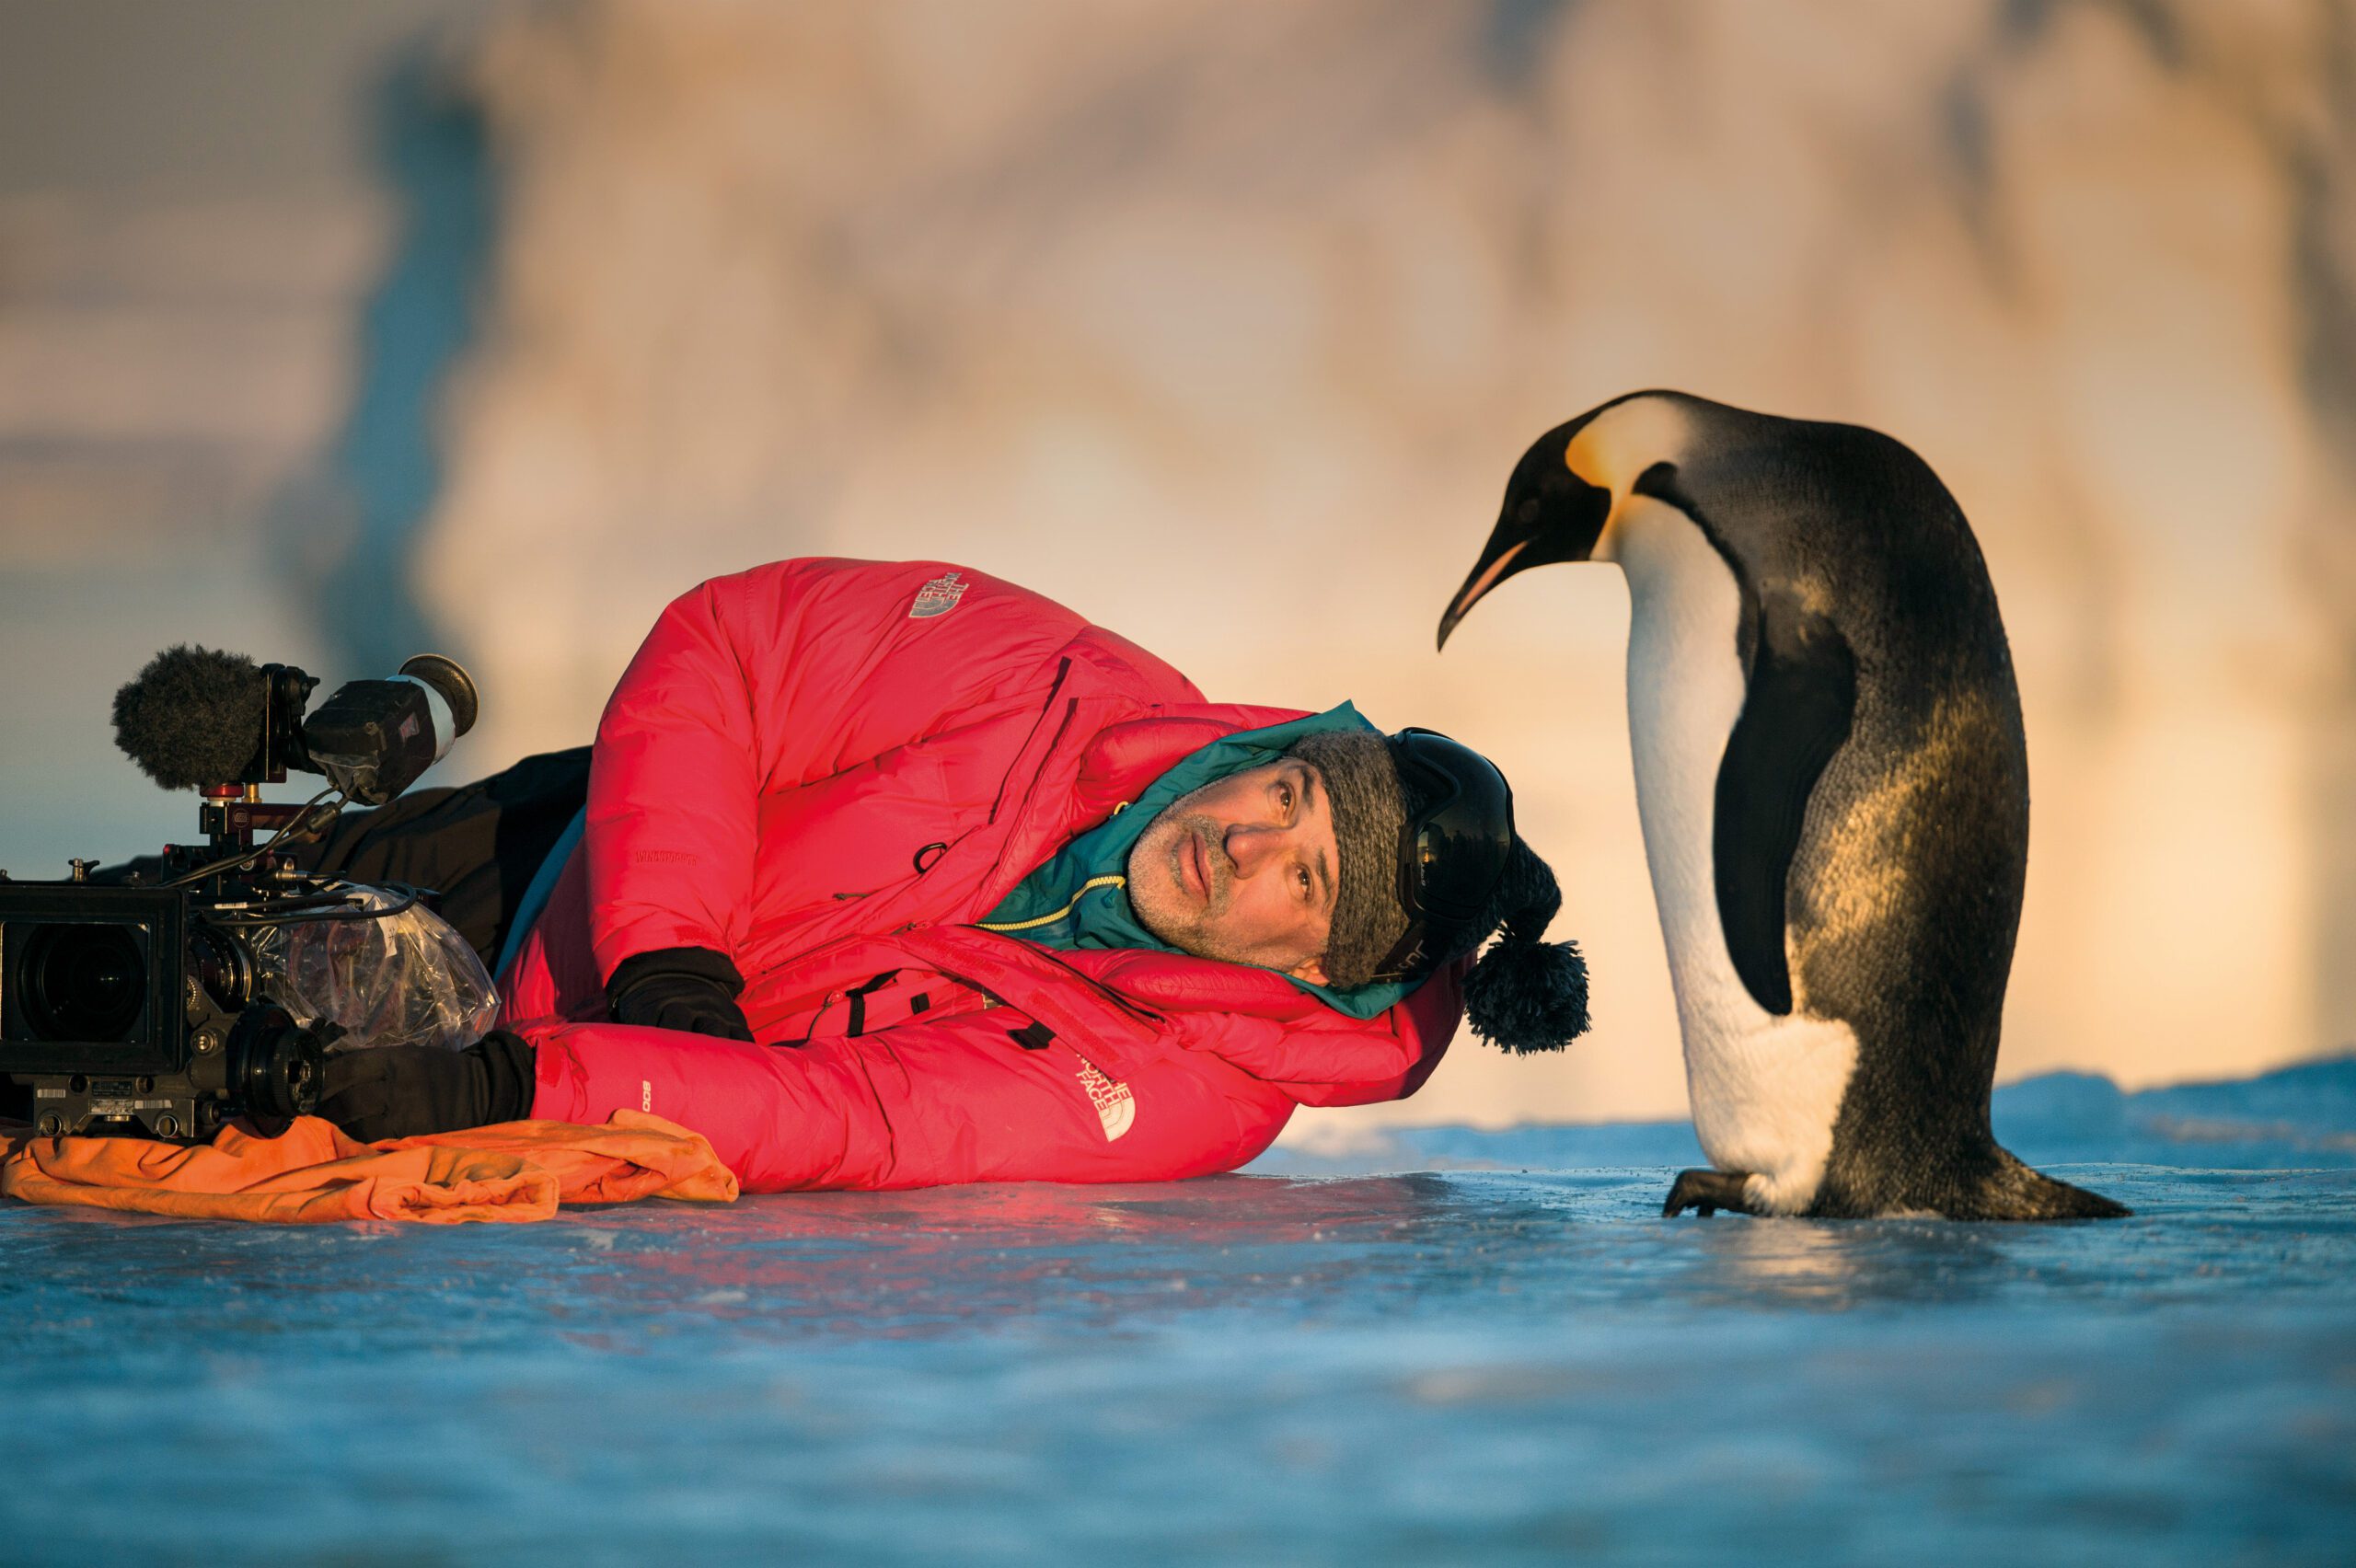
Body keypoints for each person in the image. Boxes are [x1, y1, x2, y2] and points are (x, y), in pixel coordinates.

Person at [316, 558, 1588, 1190]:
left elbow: (865, 1119)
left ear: (1316, 969)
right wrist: (665, 950)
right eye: (1291, 795)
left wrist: (525, 1085)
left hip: (542, 1098)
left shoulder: (1188, 1096)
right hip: (542, 861)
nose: (1246, 843)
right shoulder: (1054, 679)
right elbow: (735, 647)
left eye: (1305, 883)